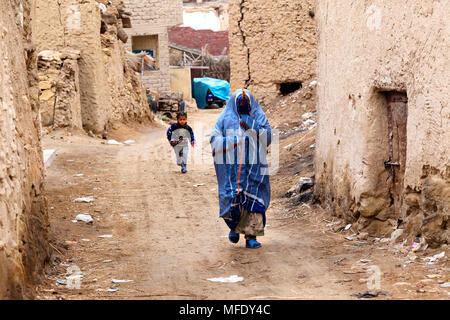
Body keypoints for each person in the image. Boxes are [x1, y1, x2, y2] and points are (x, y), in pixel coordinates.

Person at [210, 89, 272, 249]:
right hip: (232, 169)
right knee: (232, 199)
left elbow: (269, 136)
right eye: (240, 106)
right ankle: (234, 229)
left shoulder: (258, 115)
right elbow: (214, 138)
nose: (244, 109)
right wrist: (233, 142)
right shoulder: (225, 117)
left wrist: (252, 126)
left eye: (246, 106)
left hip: (254, 166)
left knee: (253, 200)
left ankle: (251, 236)